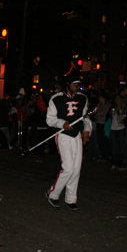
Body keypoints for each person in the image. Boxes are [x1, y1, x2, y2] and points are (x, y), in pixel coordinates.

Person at [45, 73, 91, 211]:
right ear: (67, 84)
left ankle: (70, 199)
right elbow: (50, 120)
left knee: (76, 169)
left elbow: (86, 117)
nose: (77, 86)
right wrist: (62, 123)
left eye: (78, 84)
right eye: (74, 84)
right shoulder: (56, 99)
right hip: (63, 135)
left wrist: (87, 130)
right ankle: (52, 194)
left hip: (76, 135)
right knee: (69, 168)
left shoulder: (83, 98)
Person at [110, 95, 127, 171]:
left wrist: (124, 119)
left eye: (118, 99)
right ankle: (114, 161)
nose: (116, 100)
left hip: (121, 128)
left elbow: (125, 117)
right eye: (116, 99)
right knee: (113, 146)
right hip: (113, 128)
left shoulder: (123, 109)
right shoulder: (114, 108)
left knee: (121, 145)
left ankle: (120, 161)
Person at [95, 90, 111, 162]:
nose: (99, 99)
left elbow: (103, 113)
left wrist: (98, 113)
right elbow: (97, 113)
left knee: (105, 141)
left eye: (100, 98)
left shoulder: (108, 105)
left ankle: (106, 156)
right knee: (100, 140)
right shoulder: (99, 105)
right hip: (99, 123)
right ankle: (102, 155)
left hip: (104, 124)